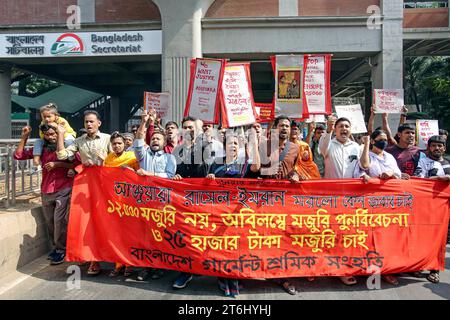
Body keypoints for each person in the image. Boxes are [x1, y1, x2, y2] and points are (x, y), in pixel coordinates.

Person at [56, 110, 112, 276]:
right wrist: (60, 135)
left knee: (108, 220)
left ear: (98, 123)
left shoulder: (108, 139)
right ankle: (93, 259)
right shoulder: (79, 141)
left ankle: (119, 260)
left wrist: (104, 160)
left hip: (105, 186)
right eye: (86, 122)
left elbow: (118, 158)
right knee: (87, 221)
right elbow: (62, 154)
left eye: (91, 121)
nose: (88, 124)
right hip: (87, 186)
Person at [15, 124, 79, 265]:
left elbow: (78, 164)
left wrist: (59, 165)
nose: (51, 137)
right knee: (50, 222)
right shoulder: (41, 149)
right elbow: (18, 155)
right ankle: (57, 248)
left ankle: (62, 250)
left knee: (59, 221)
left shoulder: (68, 148)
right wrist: (24, 137)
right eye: (48, 135)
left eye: (53, 134)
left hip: (64, 188)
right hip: (46, 189)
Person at [206, 131, 261, 297]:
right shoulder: (215, 164)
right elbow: (206, 187)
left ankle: (235, 277)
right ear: (225, 147)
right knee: (221, 247)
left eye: (236, 143)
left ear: (240, 147)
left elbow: (257, 167)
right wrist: (209, 179)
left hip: (239, 215)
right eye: (230, 143)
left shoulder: (245, 165)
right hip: (220, 214)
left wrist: (254, 143)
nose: (232, 146)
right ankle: (223, 278)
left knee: (237, 247)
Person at [134, 110, 177, 281]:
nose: (155, 140)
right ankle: (146, 267)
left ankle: (160, 266)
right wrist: (144, 122)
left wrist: (149, 174)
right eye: (153, 139)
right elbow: (138, 143)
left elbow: (169, 177)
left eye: (158, 139)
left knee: (160, 235)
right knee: (145, 236)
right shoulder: (143, 155)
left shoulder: (169, 158)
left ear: (164, 141)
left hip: (162, 203)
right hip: (145, 202)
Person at [319, 115, 361, 286]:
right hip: (330, 197)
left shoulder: (356, 147)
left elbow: (361, 168)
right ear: (335, 129)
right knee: (330, 233)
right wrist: (327, 129)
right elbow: (322, 147)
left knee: (347, 234)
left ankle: (343, 267)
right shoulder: (328, 144)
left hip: (351, 199)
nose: (344, 129)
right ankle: (324, 266)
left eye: (347, 126)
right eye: (341, 126)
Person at [171, 116, 211, 289]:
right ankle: (186, 272)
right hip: (182, 201)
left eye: (192, 128)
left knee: (202, 235)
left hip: (202, 200)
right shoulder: (176, 151)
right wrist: (176, 176)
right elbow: (175, 170)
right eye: (185, 127)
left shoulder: (207, 147)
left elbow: (205, 170)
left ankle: (206, 268)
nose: (189, 130)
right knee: (185, 236)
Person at [102, 132, 140, 277]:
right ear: (111, 145)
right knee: (115, 234)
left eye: (119, 143)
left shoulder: (132, 158)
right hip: (113, 201)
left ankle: (129, 264)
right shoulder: (108, 159)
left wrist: (130, 171)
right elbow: (103, 177)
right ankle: (118, 264)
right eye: (114, 144)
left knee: (128, 234)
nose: (117, 146)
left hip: (129, 201)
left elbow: (140, 176)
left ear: (125, 144)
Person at [414, 135, 450, 283]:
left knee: (439, 240)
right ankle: (418, 265)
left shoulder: (448, 163)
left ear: (444, 148)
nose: (437, 148)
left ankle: (434, 270)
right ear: (428, 147)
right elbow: (417, 180)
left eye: (440, 146)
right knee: (421, 238)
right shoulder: (422, 161)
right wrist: (438, 179)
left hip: (443, 210)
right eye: (434, 145)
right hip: (425, 208)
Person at [31, 103, 76, 174]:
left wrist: (56, 127)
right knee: (38, 141)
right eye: (44, 117)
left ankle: (71, 161)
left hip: (67, 136)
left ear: (56, 116)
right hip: (53, 141)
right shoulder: (43, 123)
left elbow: (63, 132)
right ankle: (36, 163)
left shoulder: (61, 121)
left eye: (49, 116)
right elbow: (41, 135)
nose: (46, 119)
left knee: (69, 143)